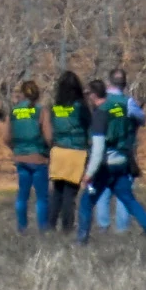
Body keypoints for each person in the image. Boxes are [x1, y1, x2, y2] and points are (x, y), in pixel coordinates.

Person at [76, 80, 146, 243]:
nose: (87, 97)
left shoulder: (100, 113)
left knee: (86, 202)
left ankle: (81, 240)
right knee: (129, 200)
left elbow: (99, 148)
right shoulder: (119, 108)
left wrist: (89, 173)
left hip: (105, 166)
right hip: (122, 162)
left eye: (88, 94)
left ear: (93, 95)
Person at [98, 68, 146, 232]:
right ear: (125, 84)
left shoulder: (100, 102)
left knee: (102, 192)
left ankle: (103, 228)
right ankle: (121, 230)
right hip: (124, 153)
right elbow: (142, 119)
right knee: (124, 194)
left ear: (108, 82)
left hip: (102, 153)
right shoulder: (128, 102)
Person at [6, 80, 51, 232]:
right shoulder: (41, 110)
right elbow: (48, 136)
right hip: (38, 158)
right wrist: (49, 148)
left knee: (22, 195)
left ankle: (21, 228)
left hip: (20, 158)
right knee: (41, 198)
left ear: (23, 94)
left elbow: (6, 137)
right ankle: (43, 229)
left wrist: (16, 148)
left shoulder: (14, 111)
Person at [46, 71, 87, 232]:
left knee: (57, 192)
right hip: (76, 152)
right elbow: (89, 127)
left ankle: (50, 225)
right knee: (70, 194)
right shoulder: (80, 107)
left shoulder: (55, 108)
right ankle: (67, 228)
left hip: (58, 152)